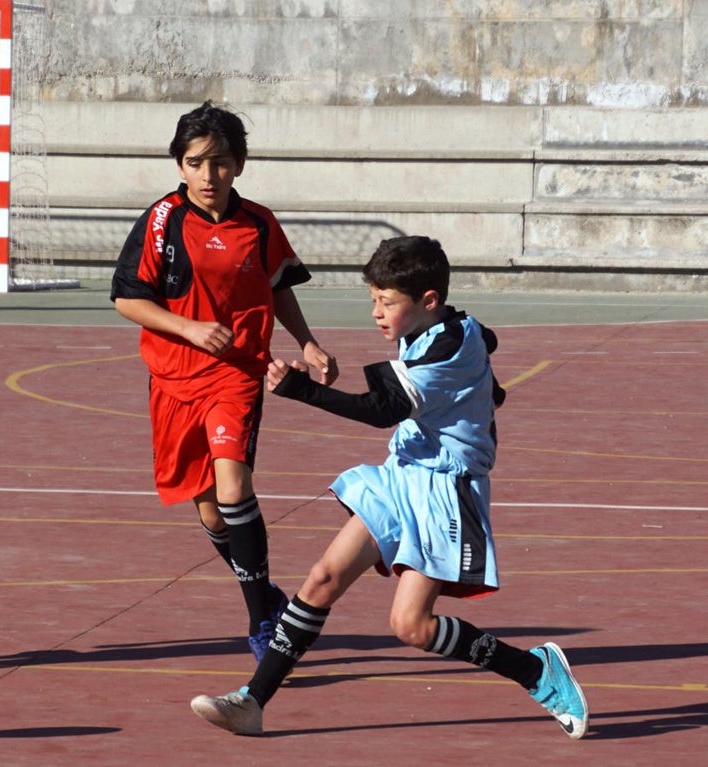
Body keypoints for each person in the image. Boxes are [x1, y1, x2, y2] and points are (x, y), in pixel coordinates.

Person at [189, 235, 589, 738]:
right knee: (322, 579)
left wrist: (300, 389)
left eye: (387, 302)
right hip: (402, 475)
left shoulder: (445, 346)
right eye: (373, 299)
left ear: (427, 301)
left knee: (412, 627)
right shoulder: (437, 325)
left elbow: (383, 410)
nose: (376, 312)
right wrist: (488, 385)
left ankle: (536, 670)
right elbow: (485, 337)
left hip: (447, 489)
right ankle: (253, 701)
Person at [110, 101, 338, 662]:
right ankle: (266, 593)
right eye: (196, 163)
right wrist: (187, 328)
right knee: (212, 512)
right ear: (179, 165)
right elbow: (126, 299)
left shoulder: (259, 223)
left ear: (240, 164)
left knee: (235, 489)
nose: (209, 176)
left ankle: (263, 623)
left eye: (221, 163)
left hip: (237, 375)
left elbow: (278, 285)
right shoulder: (161, 221)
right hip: (172, 379)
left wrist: (305, 342)